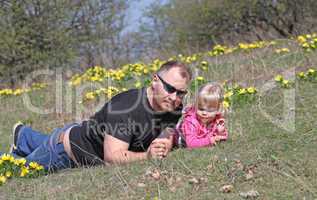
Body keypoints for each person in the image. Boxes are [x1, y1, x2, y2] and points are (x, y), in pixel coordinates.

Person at [0, 61, 192, 172]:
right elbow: (112, 158)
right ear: (154, 80)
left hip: (82, 132)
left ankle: (24, 136)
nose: (175, 98)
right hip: (64, 153)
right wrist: (147, 156)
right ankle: (24, 141)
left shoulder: (174, 106)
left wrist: (165, 143)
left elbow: (167, 133)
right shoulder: (125, 108)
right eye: (170, 89)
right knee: (13, 170)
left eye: (181, 93)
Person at [173, 82, 228, 149]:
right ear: (196, 105)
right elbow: (190, 144)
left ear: (218, 110)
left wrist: (220, 132)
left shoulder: (216, 119)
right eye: (201, 109)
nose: (204, 113)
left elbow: (222, 138)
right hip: (179, 140)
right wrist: (210, 141)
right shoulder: (191, 121)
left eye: (209, 110)